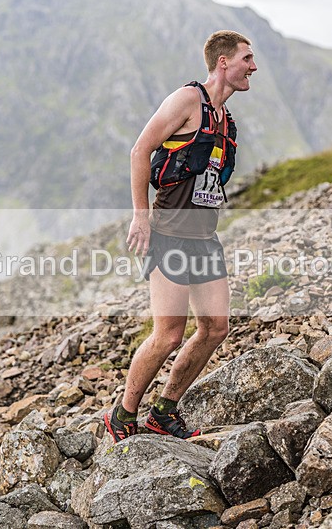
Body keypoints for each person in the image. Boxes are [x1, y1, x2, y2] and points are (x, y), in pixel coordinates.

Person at [104, 30, 257, 442]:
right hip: (169, 233)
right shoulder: (189, 100)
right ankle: (122, 414)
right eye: (247, 58)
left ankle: (164, 410)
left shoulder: (228, 122)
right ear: (223, 62)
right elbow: (140, 150)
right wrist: (140, 217)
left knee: (214, 328)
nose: (253, 67)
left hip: (205, 239)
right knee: (169, 334)